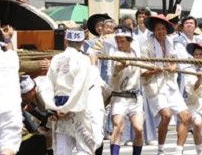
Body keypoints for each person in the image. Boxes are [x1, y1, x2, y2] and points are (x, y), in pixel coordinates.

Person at [141, 14, 191, 155]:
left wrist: (174, 66)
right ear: (153, 30)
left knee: (186, 117)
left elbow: (174, 61)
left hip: (170, 84)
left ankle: (178, 150)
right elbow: (141, 70)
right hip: (155, 85)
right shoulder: (146, 46)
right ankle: (161, 150)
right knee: (167, 115)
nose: (161, 32)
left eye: (163, 28)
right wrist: (153, 69)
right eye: (158, 29)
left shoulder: (170, 42)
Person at [43, 27, 98, 155]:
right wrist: (67, 108)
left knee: (62, 151)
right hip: (76, 108)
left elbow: (48, 85)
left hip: (58, 107)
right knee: (85, 148)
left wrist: (54, 107)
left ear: (65, 41)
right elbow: (80, 87)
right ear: (83, 42)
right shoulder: (83, 59)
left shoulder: (56, 58)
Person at [108, 26, 145, 155]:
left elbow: (143, 71)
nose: (119, 43)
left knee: (139, 129)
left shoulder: (136, 53)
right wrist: (121, 65)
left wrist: (155, 69)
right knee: (118, 127)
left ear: (129, 40)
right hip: (119, 97)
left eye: (122, 40)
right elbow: (116, 67)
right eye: (117, 40)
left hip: (135, 97)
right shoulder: (115, 54)